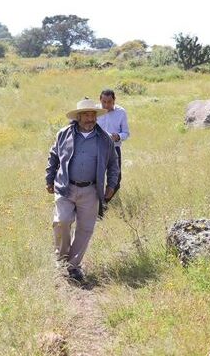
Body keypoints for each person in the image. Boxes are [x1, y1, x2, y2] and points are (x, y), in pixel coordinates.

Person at [45, 99, 119, 283]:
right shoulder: (64, 134)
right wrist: (49, 178)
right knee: (61, 221)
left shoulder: (104, 139)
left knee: (85, 230)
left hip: (91, 190)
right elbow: (53, 156)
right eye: (86, 114)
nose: (90, 118)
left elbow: (113, 163)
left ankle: (73, 266)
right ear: (78, 117)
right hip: (65, 187)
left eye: (93, 115)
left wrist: (111, 185)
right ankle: (61, 259)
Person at [96, 89, 130, 200]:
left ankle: (105, 201)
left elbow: (126, 133)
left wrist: (118, 136)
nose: (106, 105)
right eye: (104, 102)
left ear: (114, 100)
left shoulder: (121, 112)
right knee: (97, 177)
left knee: (116, 179)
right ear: (100, 100)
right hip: (97, 149)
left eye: (109, 102)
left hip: (114, 149)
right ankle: (99, 205)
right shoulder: (94, 111)